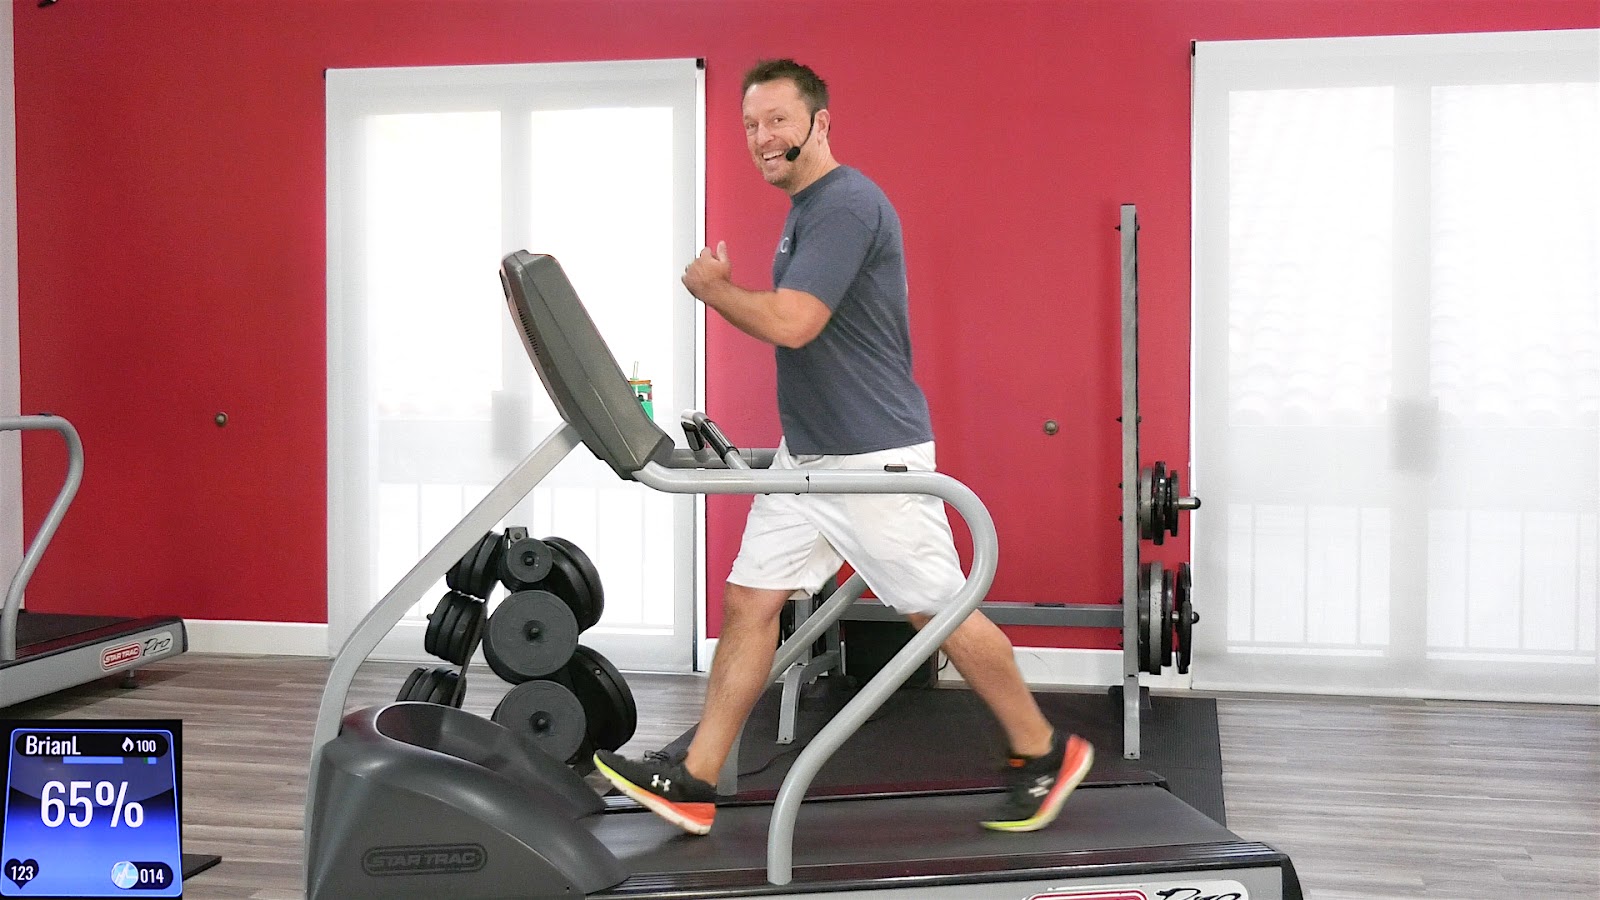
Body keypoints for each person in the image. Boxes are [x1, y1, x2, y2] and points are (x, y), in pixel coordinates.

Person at [594, 58, 1092, 837]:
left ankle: (1043, 749)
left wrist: (715, 290)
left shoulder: (845, 204)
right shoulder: (807, 209)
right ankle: (694, 779)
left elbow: (796, 323)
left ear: (820, 123)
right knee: (752, 601)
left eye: (779, 121)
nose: (763, 138)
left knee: (941, 611)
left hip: (868, 458)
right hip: (811, 457)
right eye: (752, 125)